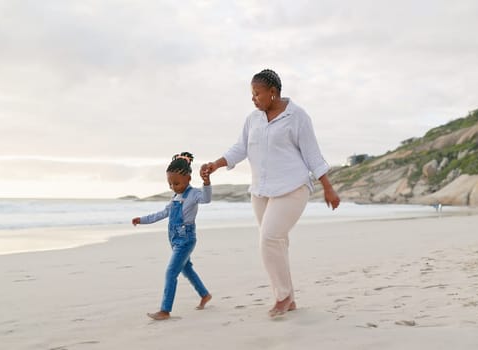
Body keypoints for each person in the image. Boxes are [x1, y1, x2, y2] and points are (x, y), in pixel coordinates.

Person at [202, 69, 340, 317]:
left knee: (269, 238)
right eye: (252, 94)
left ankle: (283, 296)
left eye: (257, 94)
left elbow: (312, 155)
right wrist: (216, 164)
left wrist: (328, 188)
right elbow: (240, 148)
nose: (253, 99)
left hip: (292, 188)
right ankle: (290, 298)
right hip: (261, 191)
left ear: (273, 93)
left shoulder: (297, 117)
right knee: (278, 243)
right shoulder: (252, 119)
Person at [132, 152, 213, 320]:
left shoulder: (194, 194)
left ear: (188, 179)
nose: (173, 187)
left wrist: (206, 182)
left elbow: (206, 199)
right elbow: (162, 214)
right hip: (174, 240)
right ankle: (205, 295)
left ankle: (165, 310)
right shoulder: (175, 197)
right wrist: (142, 220)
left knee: (170, 273)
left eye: (176, 183)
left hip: (186, 240)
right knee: (187, 270)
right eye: (170, 184)